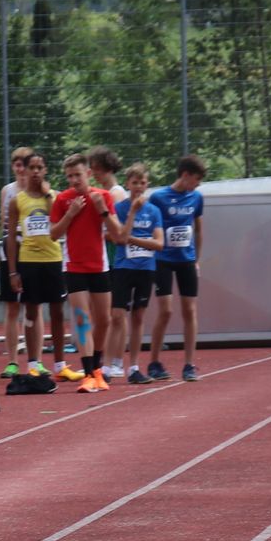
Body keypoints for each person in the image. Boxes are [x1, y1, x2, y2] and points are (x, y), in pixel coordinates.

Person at [50, 149, 127, 392]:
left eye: (78, 175)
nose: (73, 180)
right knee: (83, 319)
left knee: (104, 320)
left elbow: (118, 235)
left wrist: (102, 210)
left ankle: (97, 368)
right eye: (69, 176)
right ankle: (88, 373)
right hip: (74, 266)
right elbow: (54, 234)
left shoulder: (103, 196)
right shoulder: (63, 200)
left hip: (100, 266)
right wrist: (71, 214)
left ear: (89, 174)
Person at [146, 154, 208, 382]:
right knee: (166, 311)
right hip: (162, 259)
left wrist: (197, 259)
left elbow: (199, 229)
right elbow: (150, 226)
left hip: (186, 260)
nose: (198, 184)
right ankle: (154, 361)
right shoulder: (158, 198)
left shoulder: (197, 197)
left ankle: (189, 365)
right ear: (185, 175)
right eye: (196, 179)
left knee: (190, 311)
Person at [9, 153, 66, 378]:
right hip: (29, 261)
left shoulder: (54, 197)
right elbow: (11, 238)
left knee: (58, 312)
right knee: (32, 311)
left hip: (52, 259)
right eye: (31, 167)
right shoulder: (18, 200)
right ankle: (33, 363)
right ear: (24, 170)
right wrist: (13, 271)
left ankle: (60, 364)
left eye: (39, 167)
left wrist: (48, 195)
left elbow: (59, 223)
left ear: (45, 171)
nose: (35, 171)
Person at [111, 163, 165, 383]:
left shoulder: (154, 211)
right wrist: (133, 213)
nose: (139, 187)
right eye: (135, 183)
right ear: (128, 184)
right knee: (116, 316)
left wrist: (133, 239)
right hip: (123, 267)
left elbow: (160, 244)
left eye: (143, 182)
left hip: (145, 268)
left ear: (147, 184)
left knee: (139, 316)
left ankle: (133, 367)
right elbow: (118, 238)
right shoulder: (120, 209)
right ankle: (111, 364)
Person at [0, 146, 34, 378]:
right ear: (13, 167)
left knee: (33, 306)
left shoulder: (40, 191)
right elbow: (4, 222)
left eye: (24, 165)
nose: (21, 169)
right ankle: (12, 361)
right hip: (10, 249)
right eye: (17, 165)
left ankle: (34, 359)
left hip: (34, 251)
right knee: (12, 306)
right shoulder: (7, 191)